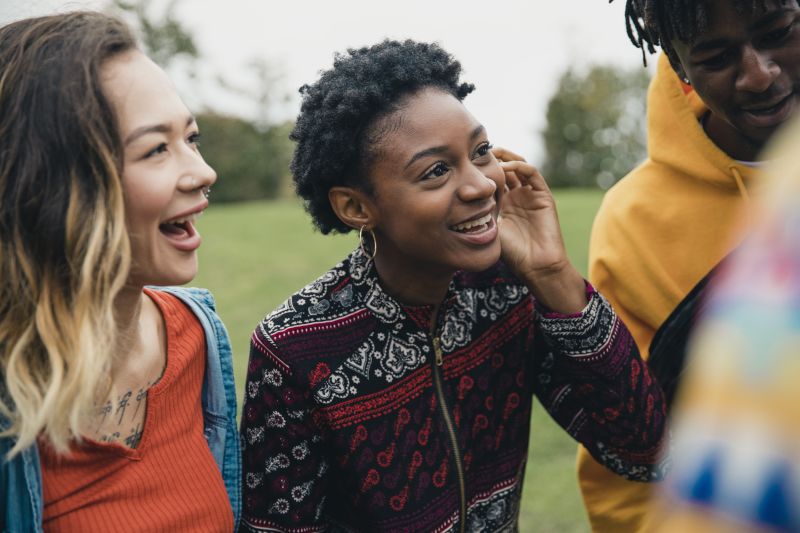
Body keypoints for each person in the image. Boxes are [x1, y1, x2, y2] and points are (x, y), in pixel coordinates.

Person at [240, 39, 667, 533]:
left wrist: (553, 276)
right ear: (357, 208)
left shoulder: (508, 292)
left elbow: (644, 451)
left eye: (481, 152)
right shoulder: (294, 349)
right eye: (437, 170)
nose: (482, 185)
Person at [0, 12, 240, 532]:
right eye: (157, 148)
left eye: (191, 138)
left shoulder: (197, 337)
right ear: (59, 189)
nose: (203, 172)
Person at [579, 1, 800, 531]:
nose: (759, 74)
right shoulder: (633, 224)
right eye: (717, 57)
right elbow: (628, 463)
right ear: (680, 70)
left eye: (778, 32)